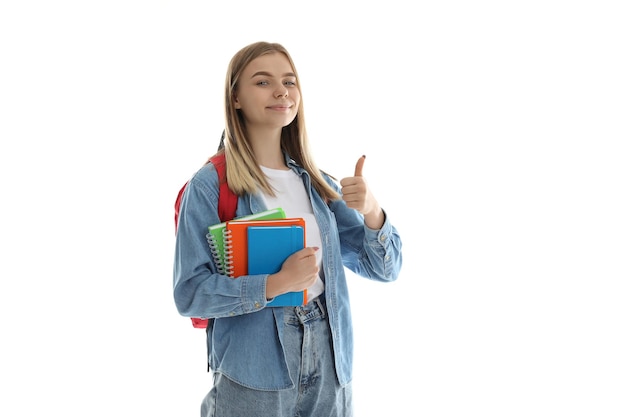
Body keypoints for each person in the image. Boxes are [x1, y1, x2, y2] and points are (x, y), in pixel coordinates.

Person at [173, 41, 403, 417]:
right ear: (235, 99)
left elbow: (385, 268)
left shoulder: (317, 183)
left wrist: (373, 211)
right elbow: (190, 294)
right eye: (262, 82)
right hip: (254, 371)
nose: (281, 91)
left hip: (331, 364)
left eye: (289, 81)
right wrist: (275, 284)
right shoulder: (210, 185)